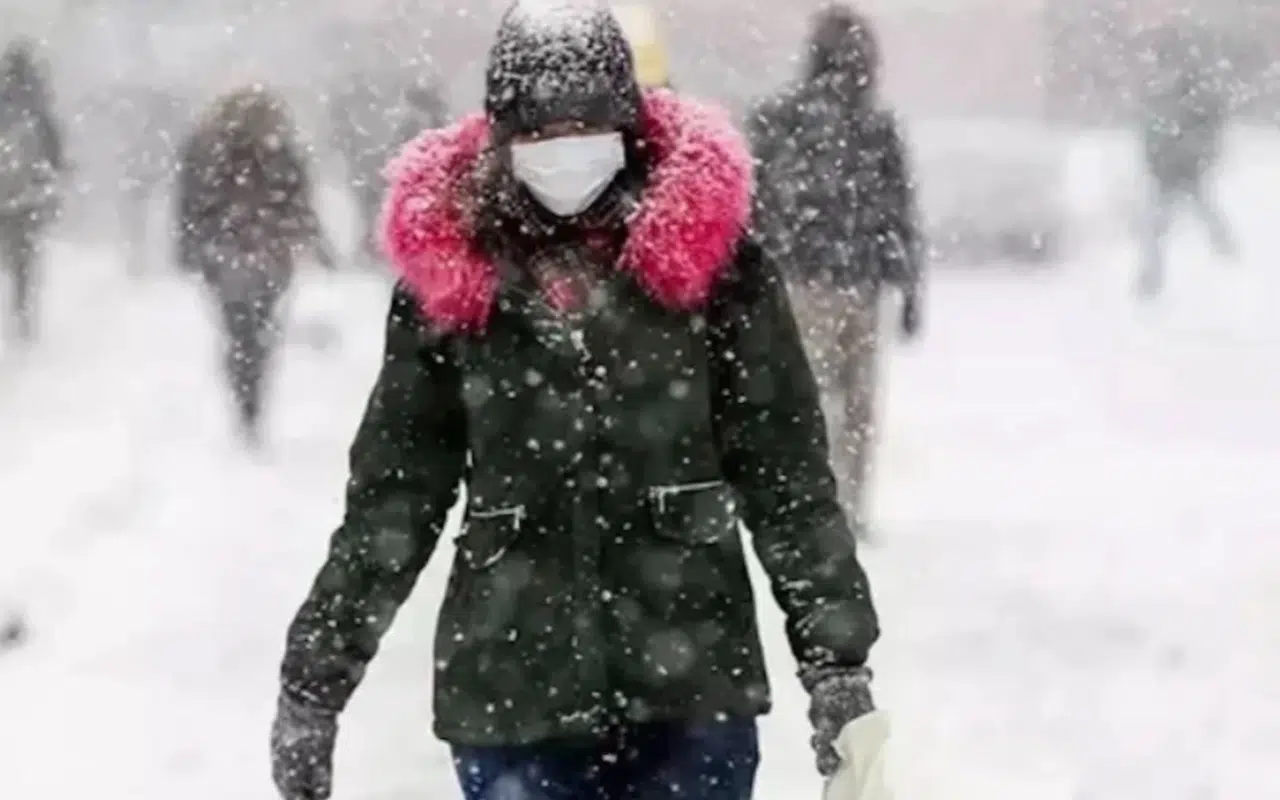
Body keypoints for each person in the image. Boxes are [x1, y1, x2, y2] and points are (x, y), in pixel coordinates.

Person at [269, 2, 880, 799]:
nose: (563, 152)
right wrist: (315, 682)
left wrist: (837, 664)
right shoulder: (453, 282)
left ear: (625, 129)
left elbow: (787, 478)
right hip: (512, 694)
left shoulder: (716, 271)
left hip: (692, 687)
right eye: (540, 133)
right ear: (502, 139)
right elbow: (394, 498)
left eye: (584, 129)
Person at [746, 4, 923, 541]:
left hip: (806, 281)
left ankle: (815, 508)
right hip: (852, 283)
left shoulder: (780, 119)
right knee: (854, 407)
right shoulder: (872, 126)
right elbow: (899, 212)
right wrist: (910, 286)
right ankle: (845, 509)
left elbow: (754, 209)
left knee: (812, 403)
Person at [174, 83, 337, 447]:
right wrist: (315, 242)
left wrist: (188, 245)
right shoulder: (279, 147)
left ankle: (243, 393)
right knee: (259, 329)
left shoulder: (206, 148)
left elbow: (190, 202)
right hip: (269, 254)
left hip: (224, 253)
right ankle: (252, 396)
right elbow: (299, 202)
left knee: (237, 329)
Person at [1136, 22, 1235, 297]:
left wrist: (1196, 152)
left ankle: (1228, 257)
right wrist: (1155, 159)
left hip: (1184, 167)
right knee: (1159, 224)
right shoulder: (1163, 93)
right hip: (1169, 168)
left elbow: (1208, 125)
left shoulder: (1190, 94)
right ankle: (1152, 277)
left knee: (1195, 215)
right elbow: (1151, 131)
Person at [0, 38, 65, 345]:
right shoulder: (35, 103)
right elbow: (53, 147)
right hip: (26, 197)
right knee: (24, 260)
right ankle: (22, 315)